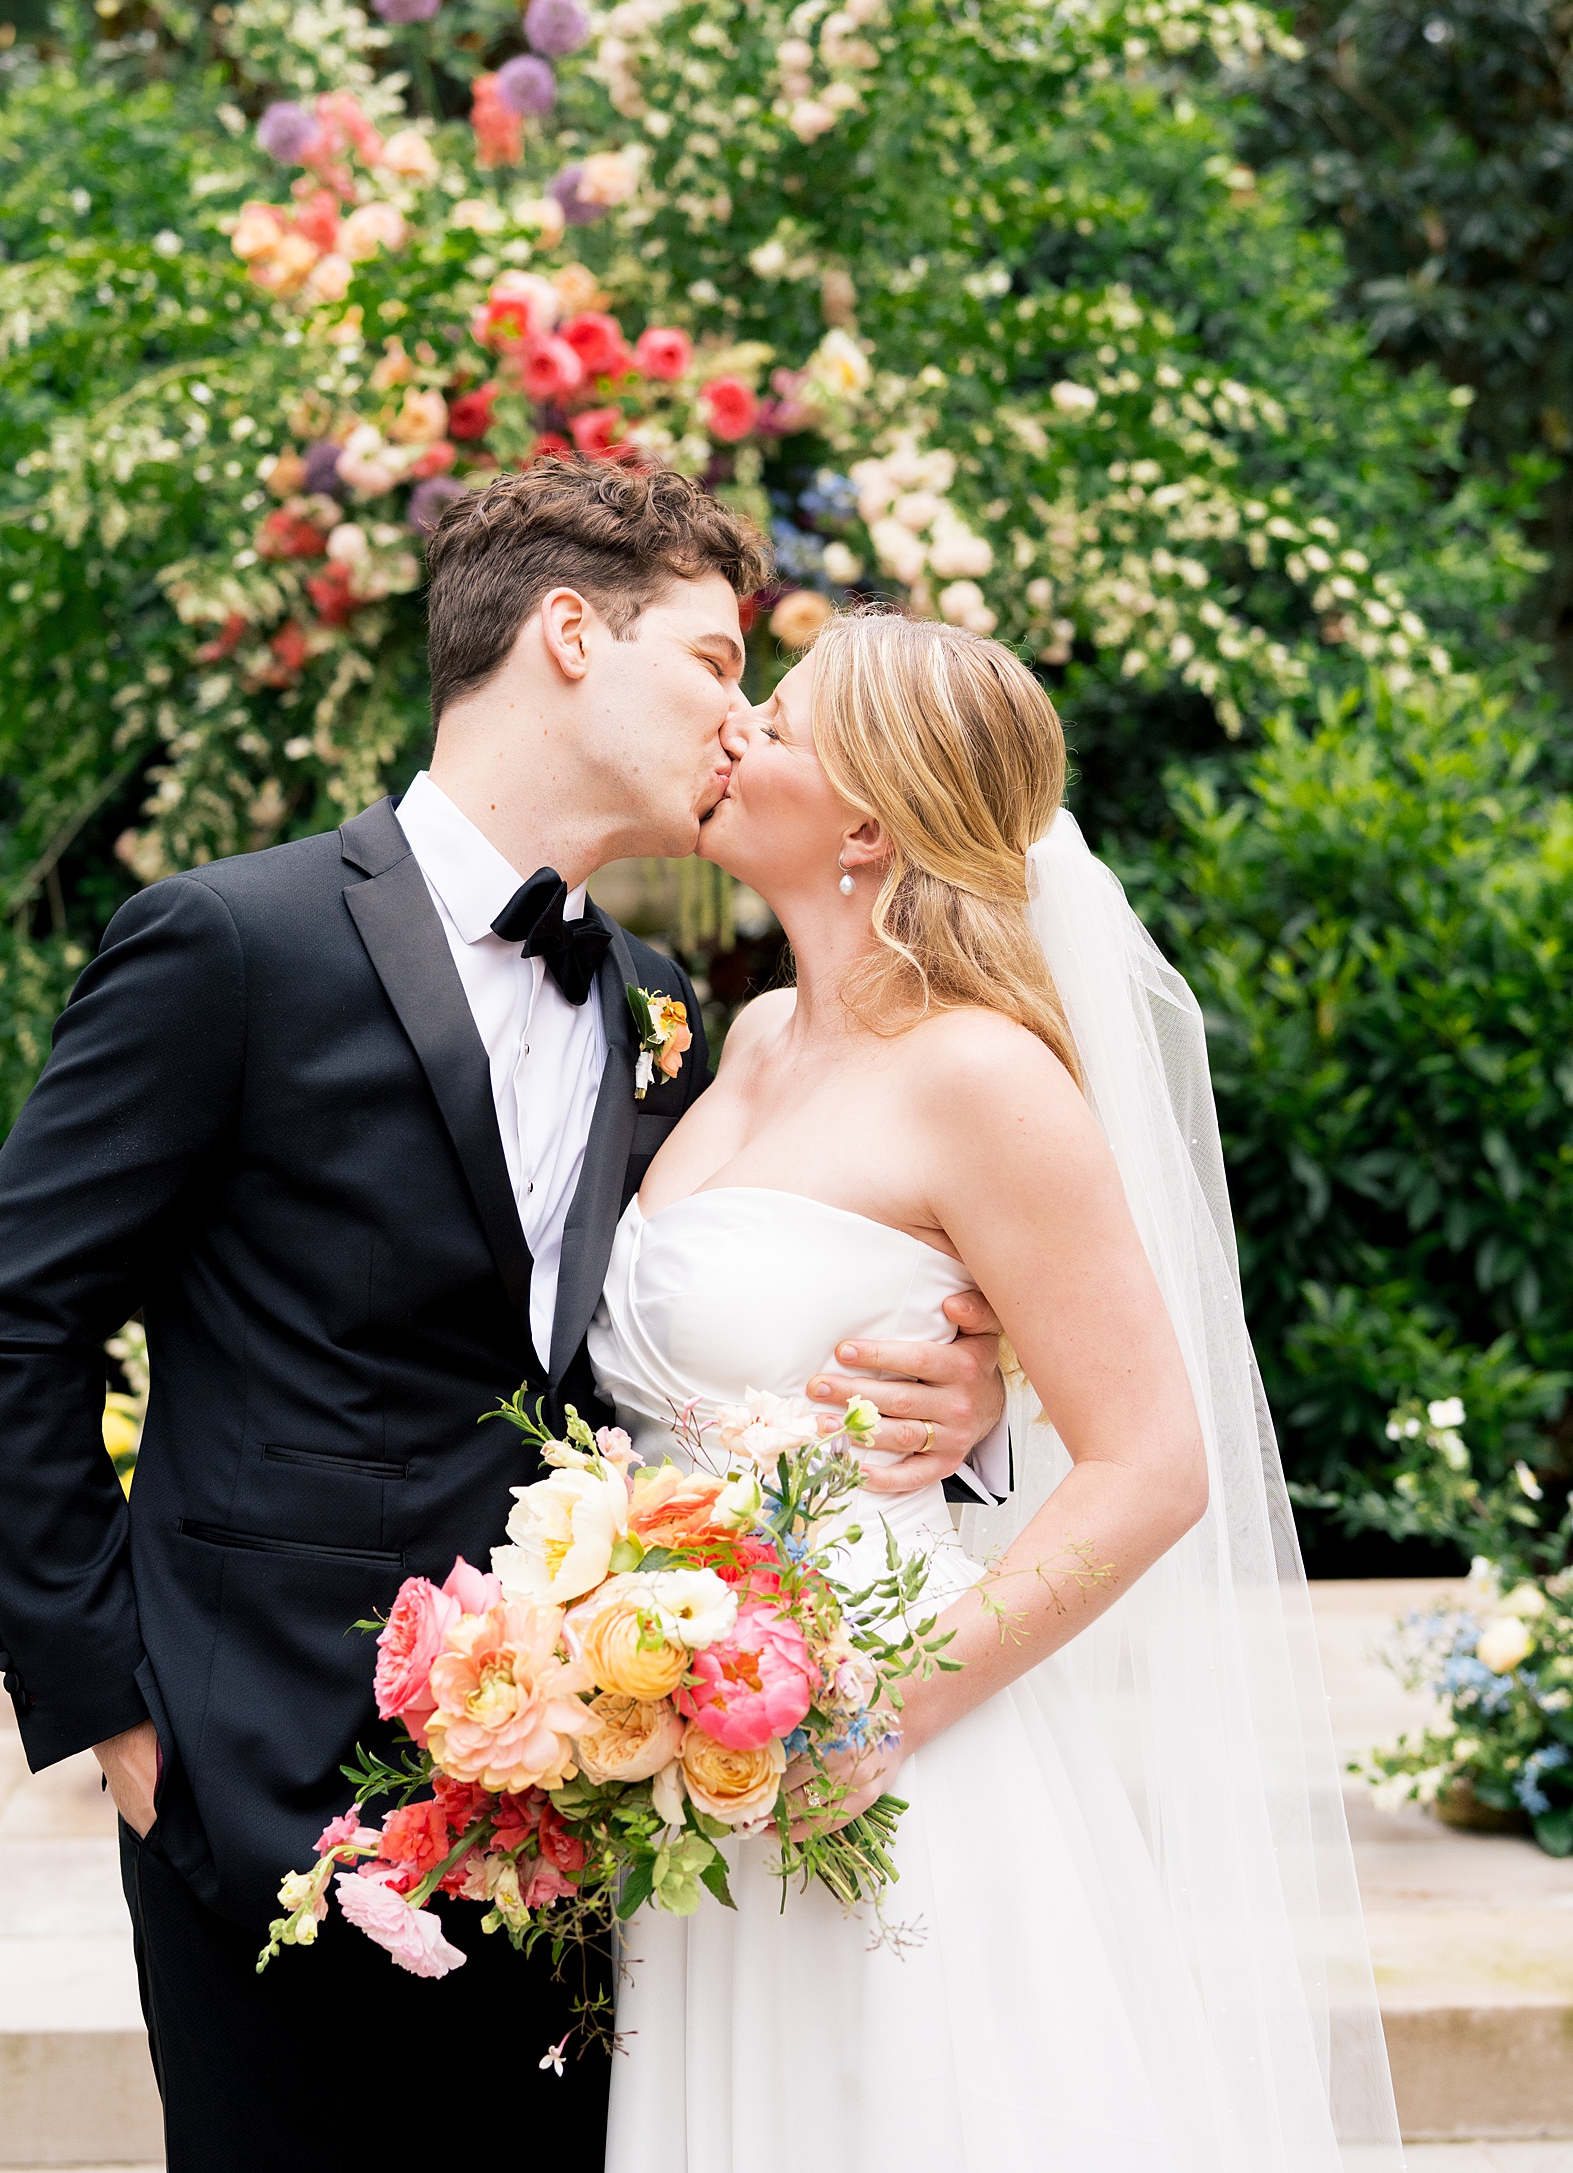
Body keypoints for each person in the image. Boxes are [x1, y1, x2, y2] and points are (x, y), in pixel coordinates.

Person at [0, 461, 1012, 2168]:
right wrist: (115, 1712)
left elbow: (724, 1302)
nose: (741, 719)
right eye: (720, 660)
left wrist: (969, 1367)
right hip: (261, 1780)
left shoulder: (661, 1012)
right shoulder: (230, 942)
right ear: (571, 632)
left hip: (593, 1805)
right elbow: (3, 1324)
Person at [592, 610, 1404, 2172]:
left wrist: (876, 1713)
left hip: (885, 1747)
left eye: (787, 715)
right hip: (682, 1732)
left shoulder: (982, 1074)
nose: (739, 724)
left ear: (873, 818)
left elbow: (1157, 1460)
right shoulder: (747, 1035)